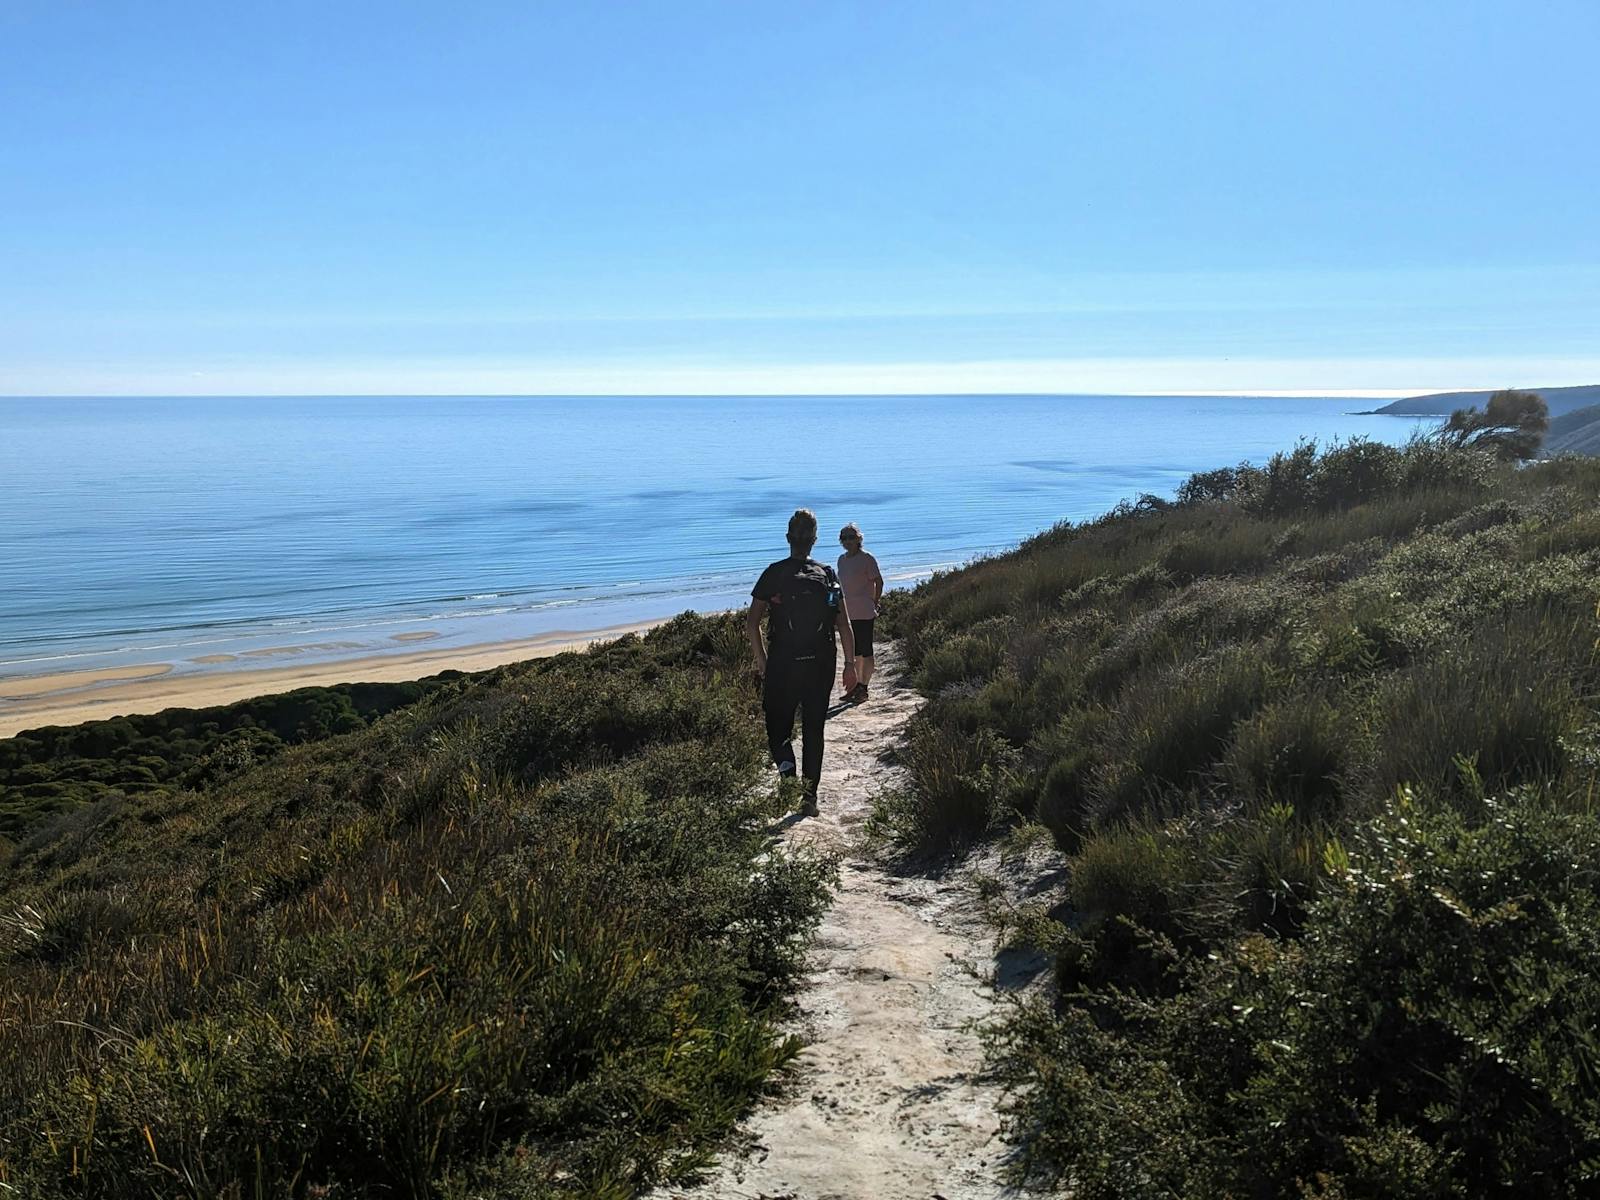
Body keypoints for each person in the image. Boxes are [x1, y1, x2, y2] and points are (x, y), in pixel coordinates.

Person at [747, 508, 857, 816]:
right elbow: (843, 623)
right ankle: (809, 797)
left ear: (788, 538)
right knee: (813, 729)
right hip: (821, 662)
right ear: (815, 540)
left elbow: (752, 622)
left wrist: (762, 661)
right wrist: (850, 665)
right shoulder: (827, 574)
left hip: (783, 662)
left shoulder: (773, 573)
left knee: (778, 730)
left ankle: (788, 780)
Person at [835, 522, 883, 703]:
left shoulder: (867, 559)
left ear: (859, 539)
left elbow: (879, 581)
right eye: (844, 538)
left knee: (866, 650)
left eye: (851, 537)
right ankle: (855, 687)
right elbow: (839, 586)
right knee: (854, 652)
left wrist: (875, 601)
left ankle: (864, 687)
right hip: (847, 612)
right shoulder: (841, 560)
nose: (848, 541)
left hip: (864, 611)